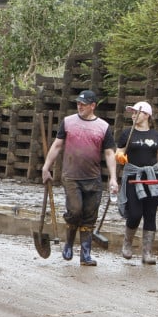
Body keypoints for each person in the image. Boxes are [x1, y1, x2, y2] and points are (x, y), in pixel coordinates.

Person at [42, 90, 118, 266]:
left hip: (93, 178)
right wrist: (46, 167)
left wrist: (113, 178)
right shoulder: (68, 122)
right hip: (71, 176)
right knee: (75, 210)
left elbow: (109, 153)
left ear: (93, 106)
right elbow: (57, 145)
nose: (80, 106)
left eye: (84, 104)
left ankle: (85, 254)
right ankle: (68, 243)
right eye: (78, 103)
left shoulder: (103, 127)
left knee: (90, 216)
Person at [115, 101, 158, 265]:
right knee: (134, 214)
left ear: (146, 115)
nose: (133, 115)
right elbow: (118, 152)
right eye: (132, 113)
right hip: (134, 177)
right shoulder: (127, 133)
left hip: (152, 178)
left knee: (150, 214)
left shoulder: (157, 135)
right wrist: (119, 156)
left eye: (136, 112)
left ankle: (147, 253)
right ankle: (127, 243)